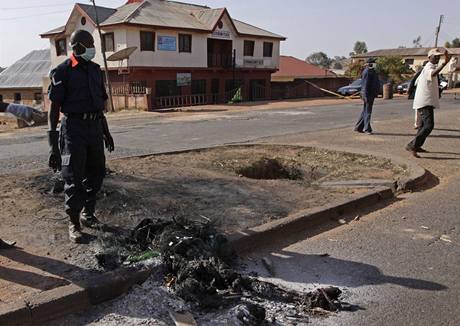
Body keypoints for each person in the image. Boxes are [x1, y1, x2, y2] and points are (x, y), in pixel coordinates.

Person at [48, 29, 114, 243]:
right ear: (77, 46)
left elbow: (99, 105)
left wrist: (106, 132)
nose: (93, 48)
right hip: (73, 129)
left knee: (96, 172)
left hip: (94, 128)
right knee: (73, 177)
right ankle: (74, 223)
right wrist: (53, 143)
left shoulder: (95, 70)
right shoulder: (62, 71)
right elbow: (54, 108)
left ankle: (88, 213)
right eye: (89, 43)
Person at [405, 48, 451, 158]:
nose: (437, 58)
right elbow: (433, 73)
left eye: (438, 57)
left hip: (426, 101)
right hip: (424, 102)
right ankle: (413, 145)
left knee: (423, 126)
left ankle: (414, 145)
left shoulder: (430, 67)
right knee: (429, 125)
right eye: (435, 56)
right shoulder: (428, 67)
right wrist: (445, 63)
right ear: (429, 57)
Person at [354, 58, 381, 135]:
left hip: (371, 94)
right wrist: (365, 96)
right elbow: (365, 85)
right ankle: (367, 129)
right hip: (368, 94)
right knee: (368, 112)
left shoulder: (372, 71)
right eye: (373, 63)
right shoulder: (367, 72)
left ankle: (358, 127)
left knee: (365, 111)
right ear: (370, 64)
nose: (375, 64)